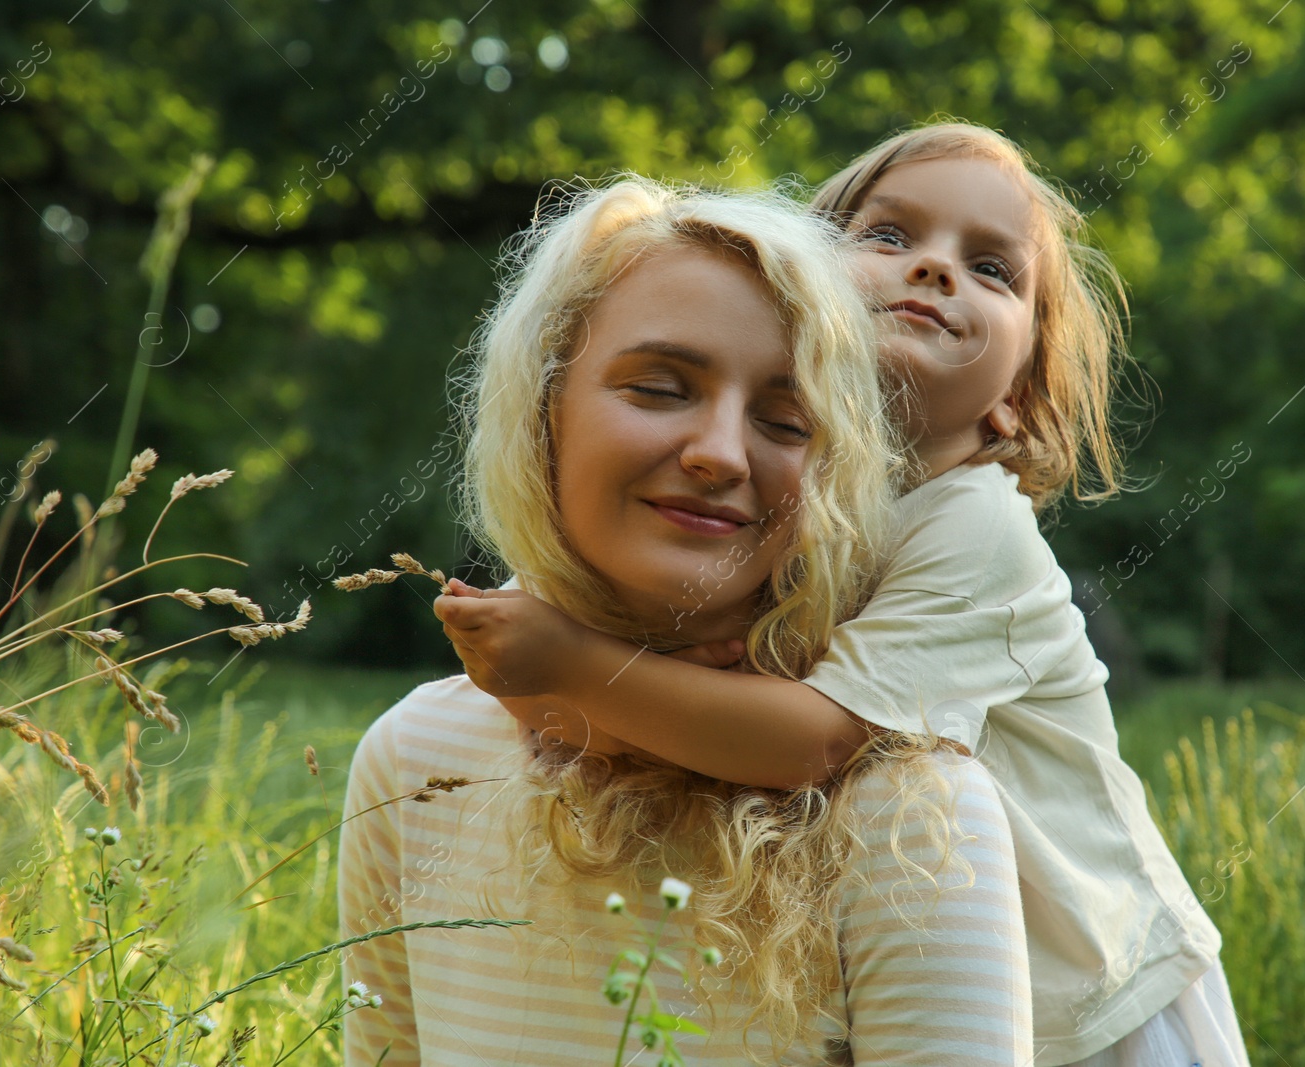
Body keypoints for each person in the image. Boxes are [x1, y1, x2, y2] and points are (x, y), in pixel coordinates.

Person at [440, 124, 1251, 1066]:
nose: (937, 271)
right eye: (891, 236)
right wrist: (585, 670)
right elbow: (528, 669)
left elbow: (815, 739)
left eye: (992, 267)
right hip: (912, 970)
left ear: (1015, 399)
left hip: (1092, 995)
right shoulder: (772, 489)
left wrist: (588, 671)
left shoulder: (975, 529)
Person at [340, 176, 1032, 1066]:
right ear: (542, 410)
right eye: (661, 389)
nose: (717, 453)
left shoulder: (909, 812)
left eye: (787, 420)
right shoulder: (415, 759)